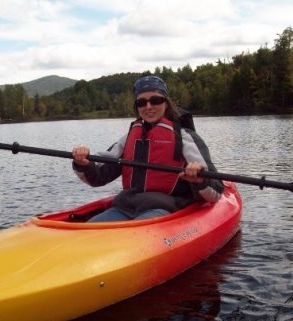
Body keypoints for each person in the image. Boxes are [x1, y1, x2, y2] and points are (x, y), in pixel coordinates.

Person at [72, 75, 223, 222]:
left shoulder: (186, 138)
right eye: (142, 103)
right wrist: (84, 164)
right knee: (89, 229)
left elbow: (216, 190)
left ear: (166, 103)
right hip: (125, 207)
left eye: (155, 100)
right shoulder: (129, 138)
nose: (148, 107)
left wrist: (200, 180)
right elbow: (98, 177)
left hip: (163, 208)